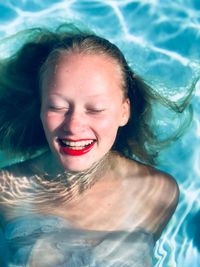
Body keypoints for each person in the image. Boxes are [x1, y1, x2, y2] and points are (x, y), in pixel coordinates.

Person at [0, 23, 190, 266]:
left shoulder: (159, 192)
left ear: (124, 112)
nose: (74, 126)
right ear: (40, 109)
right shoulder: (5, 190)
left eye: (95, 109)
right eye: (58, 107)